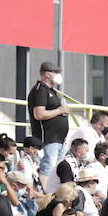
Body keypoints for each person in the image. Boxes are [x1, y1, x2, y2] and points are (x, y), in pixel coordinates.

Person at [27, 61, 69, 192]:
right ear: (47, 74)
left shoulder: (51, 91)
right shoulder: (40, 90)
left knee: (56, 168)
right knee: (48, 166)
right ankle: (44, 194)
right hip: (48, 138)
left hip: (59, 139)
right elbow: (39, 114)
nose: (58, 75)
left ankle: (51, 192)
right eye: (56, 73)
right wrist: (60, 110)